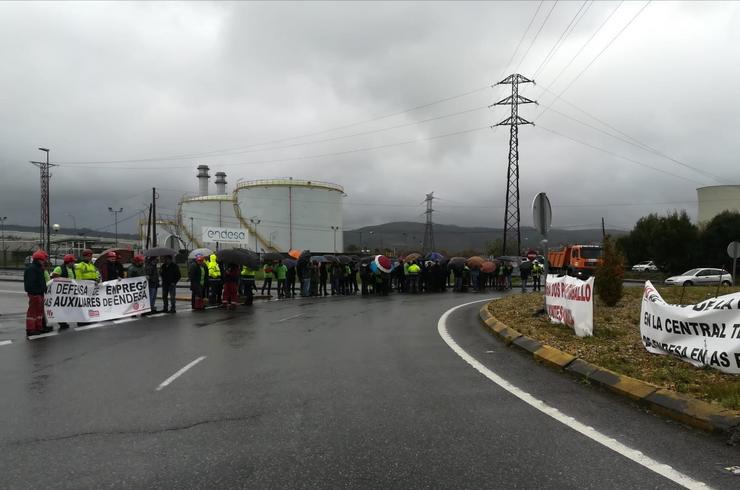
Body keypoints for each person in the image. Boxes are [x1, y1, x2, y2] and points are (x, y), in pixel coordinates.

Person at [24, 250, 51, 336]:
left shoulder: (38, 268)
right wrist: (36, 292)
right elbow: (30, 283)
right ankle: (31, 329)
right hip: (35, 294)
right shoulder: (32, 269)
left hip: (39, 293)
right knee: (33, 313)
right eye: (43, 260)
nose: (45, 262)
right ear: (39, 259)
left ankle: (39, 327)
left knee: (39, 312)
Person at [51, 254, 77, 330]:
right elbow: (54, 278)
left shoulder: (71, 269)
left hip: (69, 292)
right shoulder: (59, 268)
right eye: (73, 262)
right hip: (61, 292)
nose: (74, 263)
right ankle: (61, 321)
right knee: (61, 307)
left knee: (67, 307)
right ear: (69, 262)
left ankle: (63, 320)